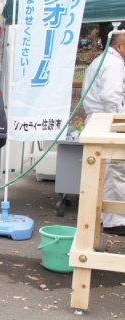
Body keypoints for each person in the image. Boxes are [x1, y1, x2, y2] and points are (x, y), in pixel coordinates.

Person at [82, 30, 125, 235]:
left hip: (97, 122)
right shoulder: (114, 64)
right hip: (106, 123)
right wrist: (118, 127)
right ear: (120, 47)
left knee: (102, 174)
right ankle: (114, 220)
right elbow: (111, 97)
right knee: (113, 173)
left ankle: (103, 217)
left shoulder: (101, 61)